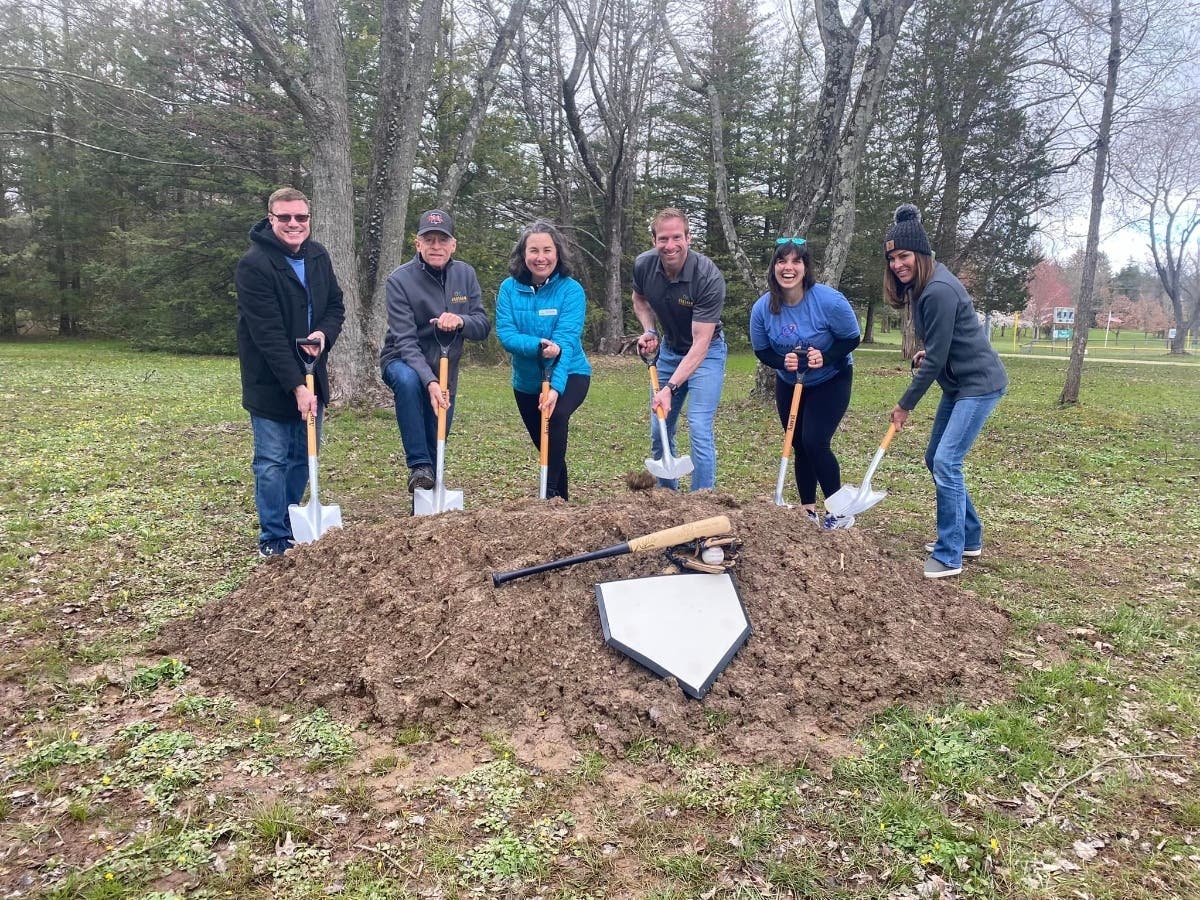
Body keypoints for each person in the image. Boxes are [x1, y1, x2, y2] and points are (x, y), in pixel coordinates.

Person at [884, 203, 1007, 579]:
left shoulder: (937, 290)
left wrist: (905, 405)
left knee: (945, 462)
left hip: (978, 385)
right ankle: (968, 536)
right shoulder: (925, 285)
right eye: (891, 258)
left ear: (921, 254)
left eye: (903, 256)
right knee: (935, 457)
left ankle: (950, 553)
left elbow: (936, 360)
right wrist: (932, 353)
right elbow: (943, 344)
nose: (897, 264)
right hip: (959, 383)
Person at [235, 187, 345, 558]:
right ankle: (273, 537)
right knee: (271, 460)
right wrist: (297, 387)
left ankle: (291, 519)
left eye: (301, 217)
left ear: (309, 219)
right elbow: (266, 335)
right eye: (285, 217)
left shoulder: (317, 255)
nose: (294, 224)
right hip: (270, 380)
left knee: (302, 454)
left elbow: (335, 305)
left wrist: (323, 334)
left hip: (314, 373)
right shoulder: (255, 265)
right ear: (271, 219)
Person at [750, 238, 861, 528]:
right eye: (781, 261)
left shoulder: (829, 301)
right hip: (790, 381)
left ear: (806, 267)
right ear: (774, 267)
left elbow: (851, 338)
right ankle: (807, 509)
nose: (788, 268)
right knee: (798, 442)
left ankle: (840, 511)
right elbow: (762, 350)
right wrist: (780, 361)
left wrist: (825, 356)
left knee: (815, 441)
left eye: (795, 261)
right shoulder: (763, 309)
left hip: (831, 378)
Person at [380, 209, 490, 492]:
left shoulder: (465, 275)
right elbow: (405, 341)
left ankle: (424, 503)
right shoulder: (399, 280)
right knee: (408, 381)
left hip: (445, 365)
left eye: (443, 240)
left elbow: (482, 326)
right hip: (403, 359)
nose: (436, 246)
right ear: (418, 244)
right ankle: (418, 464)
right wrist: (429, 382)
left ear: (453, 245)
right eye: (429, 240)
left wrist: (460, 320)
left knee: (436, 437)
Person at [494, 221, 592, 500]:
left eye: (547, 250)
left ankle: (548, 496)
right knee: (547, 446)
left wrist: (556, 389)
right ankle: (561, 501)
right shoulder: (509, 289)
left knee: (557, 416)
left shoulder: (571, 290)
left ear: (557, 253)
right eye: (534, 250)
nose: (541, 257)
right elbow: (506, 334)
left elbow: (567, 342)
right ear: (523, 255)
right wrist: (537, 346)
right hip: (526, 382)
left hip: (570, 373)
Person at [632, 208, 727, 490]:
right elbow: (639, 299)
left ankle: (702, 502)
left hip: (706, 353)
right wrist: (649, 329)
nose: (670, 245)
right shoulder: (643, 265)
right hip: (669, 352)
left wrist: (670, 388)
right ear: (653, 240)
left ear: (689, 237)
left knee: (698, 427)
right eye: (663, 238)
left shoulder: (707, 276)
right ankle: (668, 500)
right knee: (659, 429)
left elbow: (700, 344)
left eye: (677, 237)